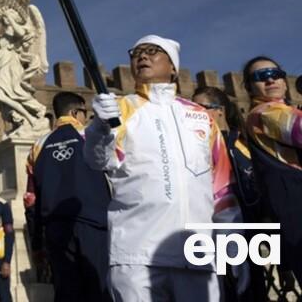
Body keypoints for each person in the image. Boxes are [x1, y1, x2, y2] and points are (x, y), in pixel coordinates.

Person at [85, 35, 242, 301]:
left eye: (153, 51)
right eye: (136, 53)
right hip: (137, 254)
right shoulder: (121, 109)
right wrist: (99, 129)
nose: (142, 56)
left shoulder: (201, 116)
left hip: (199, 255)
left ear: (173, 68)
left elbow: (222, 187)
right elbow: (99, 161)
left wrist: (234, 247)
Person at [24, 91, 111, 301]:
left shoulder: (38, 146)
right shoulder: (92, 136)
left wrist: (36, 244)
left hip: (55, 230)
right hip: (94, 224)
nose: (86, 117)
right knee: (99, 288)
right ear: (75, 112)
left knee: (66, 291)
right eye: (84, 112)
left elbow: (30, 200)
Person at [193, 85, 265, 301]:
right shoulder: (196, 147)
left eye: (200, 107)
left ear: (220, 110)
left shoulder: (243, 142)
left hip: (252, 227)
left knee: (255, 288)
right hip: (214, 231)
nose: (194, 113)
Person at [241, 55, 302, 283]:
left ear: (285, 81)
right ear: (249, 87)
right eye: (261, 76)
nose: (270, 80)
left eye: (276, 74)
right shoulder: (265, 113)